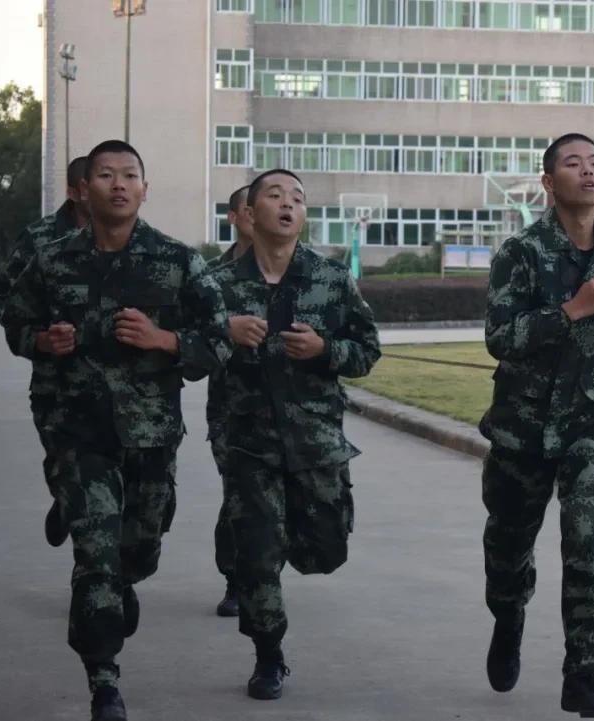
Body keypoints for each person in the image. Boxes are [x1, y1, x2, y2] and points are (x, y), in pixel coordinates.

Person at [0, 140, 231, 721]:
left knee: (137, 551)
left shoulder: (177, 261)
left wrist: (166, 340)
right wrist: (40, 340)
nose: (119, 184)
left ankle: (126, 582)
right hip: (76, 433)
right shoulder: (51, 259)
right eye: (106, 174)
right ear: (85, 189)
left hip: (150, 435)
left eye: (130, 175)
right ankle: (103, 680)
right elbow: (15, 319)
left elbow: (220, 339)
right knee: (95, 556)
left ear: (145, 190)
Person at [478, 133, 594, 718]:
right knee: (508, 547)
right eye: (573, 163)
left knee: (589, 540)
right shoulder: (521, 252)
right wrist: (570, 311)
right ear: (549, 183)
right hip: (522, 427)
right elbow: (499, 337)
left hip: (590, 420)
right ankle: (508, 616)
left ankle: (583, 673)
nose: (588, 171)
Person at [211, 169, 380, 701]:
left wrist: (325, 350)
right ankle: (268, 654)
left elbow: (367, 351)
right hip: (248, 442)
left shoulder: (331, 279)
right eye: (275, 195)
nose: (288, 204)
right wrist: (223, 332)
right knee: (259, 553)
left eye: (298, 198)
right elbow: (187, 352)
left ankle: (276, 545)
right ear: (249, 212)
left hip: (316, 442)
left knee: (325, 549)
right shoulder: (218, 284)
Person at [0, 156, 90, 548]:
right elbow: (3, 303)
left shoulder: (139, 243)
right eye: (96, 181)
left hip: (124, 391)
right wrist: (41, 339)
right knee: (67, 467)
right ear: (75, 191)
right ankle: (67, 501)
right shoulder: (40, 239)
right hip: (57, 385)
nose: (112, 188)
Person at [207, 184, 253, 618]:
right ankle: (238, 579)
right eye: (250, 209)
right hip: (231, 409)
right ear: (234, 218)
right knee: (240, 492)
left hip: (292, 413)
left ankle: (263, 571)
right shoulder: (210, 277)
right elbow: (190, 336)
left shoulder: (306, 272)